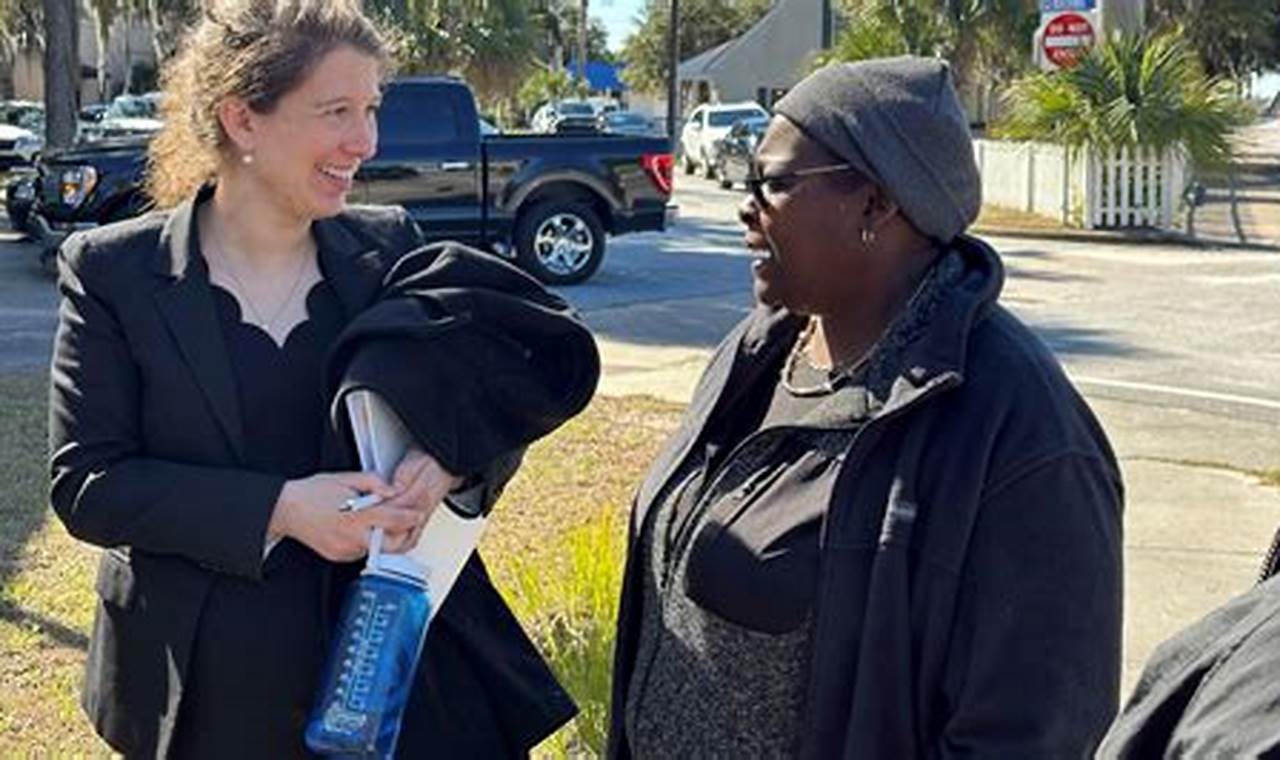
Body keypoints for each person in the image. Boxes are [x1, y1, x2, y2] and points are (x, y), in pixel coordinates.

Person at [48, 1, 597, 756]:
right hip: (201, 683)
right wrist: (281, 508)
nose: (365, 142)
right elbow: (89, 485)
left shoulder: (388, 247)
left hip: (381, 669)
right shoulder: (115, 270)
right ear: (242, 120)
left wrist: (446, 463)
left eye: (370, 109)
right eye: (336, 110)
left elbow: (496, 395)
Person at [607, 56, 1124, 758]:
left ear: (876, 205)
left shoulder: (1025, 440)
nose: (744, 203)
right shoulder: (756, 353)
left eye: (775, 182)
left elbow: (1030, 735)